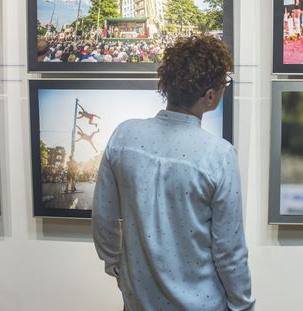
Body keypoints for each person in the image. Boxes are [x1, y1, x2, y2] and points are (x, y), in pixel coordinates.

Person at [92, 35, 255, 311]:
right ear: (210, 96)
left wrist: (119, 270)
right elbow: (229, 252)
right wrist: (243, 306)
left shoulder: (124, 135)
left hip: (137, 302)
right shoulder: (219, 155)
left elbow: (103, 222)